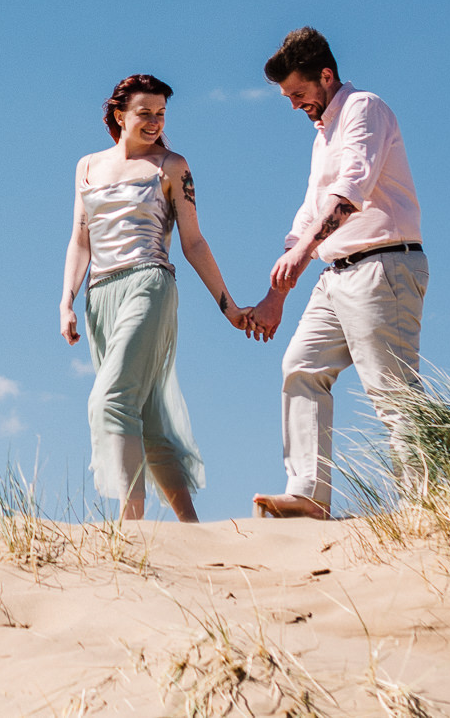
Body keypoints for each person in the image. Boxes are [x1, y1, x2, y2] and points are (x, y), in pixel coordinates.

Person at [242, 28, 427, 520]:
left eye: (298, 94)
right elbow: (309, 215)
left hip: (381, 264)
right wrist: (274, 297)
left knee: (392, 391)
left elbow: (350, 194)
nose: (295, 105)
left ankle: (423, 505)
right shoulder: (322, 134)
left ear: (326, 76)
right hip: (336, 273)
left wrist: (301, 254)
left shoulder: (365, 109)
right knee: (301, 368)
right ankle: (307, 495)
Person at [60, 74, 250, 521]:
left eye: (161, 114)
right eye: (144, 113)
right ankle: (191, 529)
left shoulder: (172, 166)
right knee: (146, 415)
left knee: (110, 399)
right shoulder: (87, 166)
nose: (153, 122)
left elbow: (194, 243)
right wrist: (66, 302)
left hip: (149, 282)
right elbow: (80, 240)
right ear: (118, 114)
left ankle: (131, 526)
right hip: (100, 296)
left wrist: (229, 307)